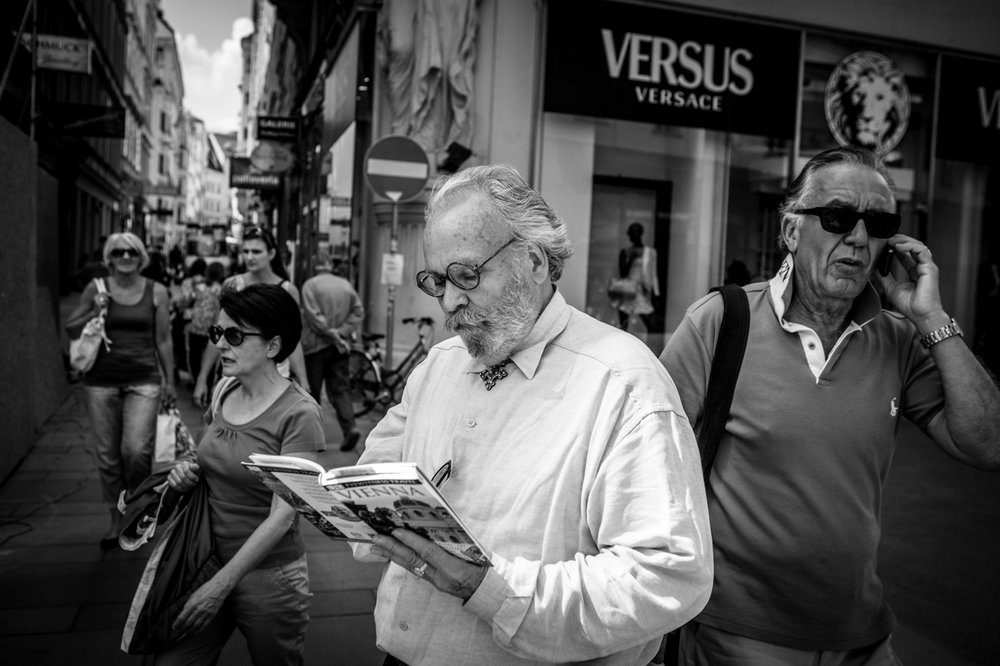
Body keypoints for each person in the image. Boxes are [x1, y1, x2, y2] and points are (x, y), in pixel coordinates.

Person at [352, 164, 713, 665]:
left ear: (534, 261)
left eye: (467, 274)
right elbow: (376, 472)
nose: (450, 301)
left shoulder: (622, 381)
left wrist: (492, 589)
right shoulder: (439, 364)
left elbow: (668, 576)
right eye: (437, 281)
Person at [660, 146, 1000, 665]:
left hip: (862, 634)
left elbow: (988, 443)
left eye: (878, 223)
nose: (859, 238)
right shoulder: (720, 321)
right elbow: (646, 465)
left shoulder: (899, 339)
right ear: (791, 231)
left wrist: (931, 318)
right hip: (739, 635)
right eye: (838, 217)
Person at [160, 284, 326, 664]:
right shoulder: (224, 389)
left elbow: (283, 517)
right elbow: (207, 455)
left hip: (270, 576)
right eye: (217, 332)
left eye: (234, 335)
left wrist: (221, 585)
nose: (220, 344)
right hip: (203, 560)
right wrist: (186, 469)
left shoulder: (300, 413)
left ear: (273, 346)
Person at [65, 233, 175, 550]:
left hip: (144, 380)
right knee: (108, 457)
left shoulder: (157, 291)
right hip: (100, 382)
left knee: (137, 451)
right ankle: (116, 521)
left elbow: (163, 339)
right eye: (118, 252)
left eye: (131, 251)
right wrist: (95, 309)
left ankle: (137, 512)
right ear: (109, 258)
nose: (125, 256)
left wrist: (169, 380)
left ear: (141, 257)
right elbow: (71, 328)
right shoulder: (97, 288)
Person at [192, 225, 308, 407]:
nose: (250, 257)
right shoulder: (233, 285)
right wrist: (202, 378)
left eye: (256, 251)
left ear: (271, 254)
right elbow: (218, 334)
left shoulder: (287, 290)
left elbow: (294, 340)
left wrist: (303, 380)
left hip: (275, 376)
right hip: (234, 374)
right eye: (245, 251)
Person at [300, 249, 365, 451]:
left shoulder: (310, 285)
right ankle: (350, 427)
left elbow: (314, 317)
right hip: (339, 347)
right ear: (330, 265)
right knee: (340, 389)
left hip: (316, 347)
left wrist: (331, 333)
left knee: (312, 391)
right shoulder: (345, 285)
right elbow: (358, 312)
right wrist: (341, 332)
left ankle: (314, 438)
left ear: (315, 265)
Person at [610, 222, 660, 333]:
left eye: (635, 232)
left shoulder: (650, 252)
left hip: (642, 290)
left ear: (640, 233)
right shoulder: (625, 252)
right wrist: (631, 259)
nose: (633, 235)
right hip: (627, 290)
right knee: (624, 324)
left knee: (651, 324)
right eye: (631, 233)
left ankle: (650, 342)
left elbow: (653, 274)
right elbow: (622, 274)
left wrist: (656, 293)